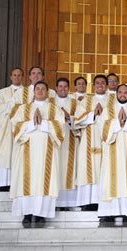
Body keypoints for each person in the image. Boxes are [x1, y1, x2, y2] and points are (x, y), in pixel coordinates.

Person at [10, 81, 65, 226]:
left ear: (47, 92)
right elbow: (14, 126)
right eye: (37, 89)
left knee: (43, 181)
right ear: (33, 91)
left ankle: (41, 214)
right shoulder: (23, 109)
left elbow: (61, 129)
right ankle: (27, 214)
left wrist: (44, 123)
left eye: (43, 89)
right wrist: (31, 123)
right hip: (27, 151)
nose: (40, 91)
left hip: (47, 153)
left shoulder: (55, 109)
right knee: (26, 181)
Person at [97, 84, 127, 223]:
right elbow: (102, 129)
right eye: (120, 92)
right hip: (112, 151)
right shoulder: (107, 111)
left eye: (125, 92)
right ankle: (109, 212)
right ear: (116, 94)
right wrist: (117, 123)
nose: (123, 94)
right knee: (110, 179)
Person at [73, 75, 114, 211]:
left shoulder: (113, 100)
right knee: (87, 168)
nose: (100, 85)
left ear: (107, 85)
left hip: (107, 140)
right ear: (93, 85)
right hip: (88, 140)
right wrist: (94, 115)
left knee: (105, 168)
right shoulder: (85, 101)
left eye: (103, 82)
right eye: (97, 83)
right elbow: (77, 120)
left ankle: (104, 200)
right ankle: (87, 201)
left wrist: (104, 115)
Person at [0, 67, 24, 191]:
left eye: (19, 75)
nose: (17, 77)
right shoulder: (3, 92)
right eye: (14, 75)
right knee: (4, 152)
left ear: (22, 77)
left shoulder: (27, 92)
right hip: (5, 128)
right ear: (11, 77)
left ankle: (18, 182)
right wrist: (12, 105)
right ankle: (2, 183)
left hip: (21, 128)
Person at [53, 78, 79, 210]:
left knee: (69, 170)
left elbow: (80, 120)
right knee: (54, 170)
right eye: (60, 86)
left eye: (65, 87)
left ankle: (68, 203)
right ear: (56, 88)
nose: (63, 89)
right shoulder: (50, 103)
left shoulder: (75, 103)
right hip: (53, 144)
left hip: (70, 141)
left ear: (68, 89)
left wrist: (70, 118)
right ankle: (55, 202)